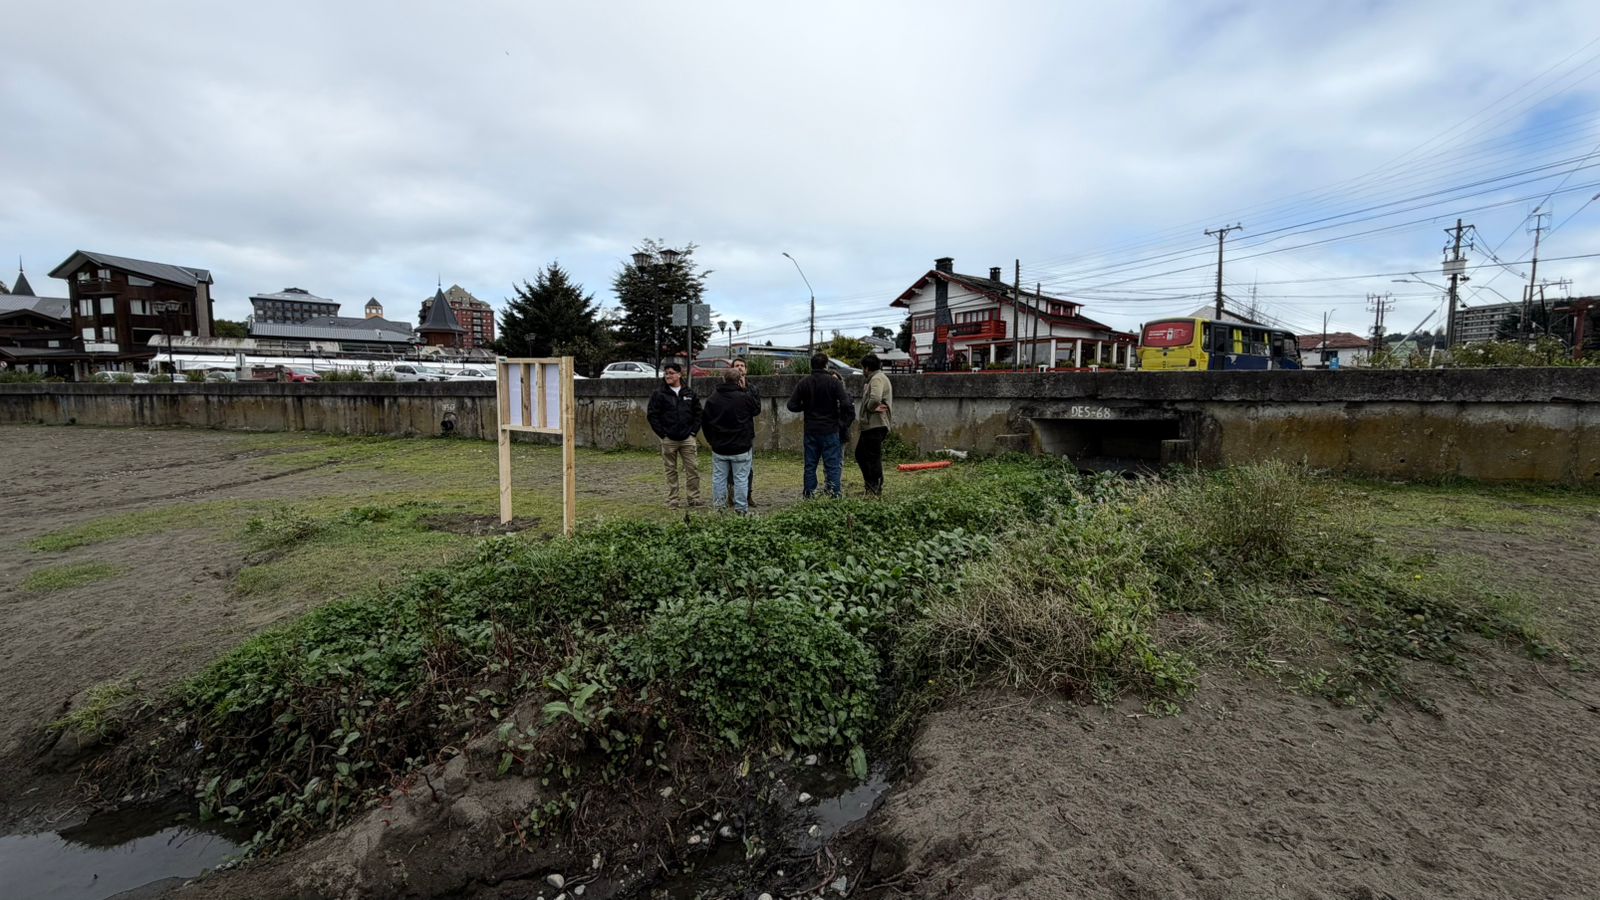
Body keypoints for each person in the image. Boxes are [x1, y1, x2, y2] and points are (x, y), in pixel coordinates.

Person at [785, 352, 855, 498]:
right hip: (830, 430)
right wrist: (842, 423)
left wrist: (805, 406)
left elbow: (791, 405)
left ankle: (809, 495)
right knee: (833, 466)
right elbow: (846, 404)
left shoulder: (804, 382)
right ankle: (834, 495)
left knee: (810, 465)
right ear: (826, 365)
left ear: (811, 365)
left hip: (811, 430)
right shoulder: (834, 382)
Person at [701, 369, 761, 514]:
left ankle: (719, 509)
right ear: (739, 379)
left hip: (719, 446)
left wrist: (711, 441)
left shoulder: (712, 399)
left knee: (719, 478)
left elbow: (705, 423)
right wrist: (745, 389)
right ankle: (741, 509)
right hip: (741, 446)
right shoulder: (744, 397)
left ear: (723, 379)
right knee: (741, 479)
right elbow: (756, 410)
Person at [646, 363, 702, 508]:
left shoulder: (689, 393)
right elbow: (652, 415)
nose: (668, 376)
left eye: (671, 373)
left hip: (687, 438)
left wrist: (693, 432)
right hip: (669, 439)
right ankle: (673, 499)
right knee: (670, 470)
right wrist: (662, 434)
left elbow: (698, 414)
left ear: (679, 374)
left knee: (692, 469)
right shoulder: (659, 394)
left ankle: (693, 497)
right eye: (666, 373)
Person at [855, 354, 893, 497]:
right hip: (874, 424)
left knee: (869, 456)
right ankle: (872, 484)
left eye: (863, 368)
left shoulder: (876, 379)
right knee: (865, 455)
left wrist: (871, 408)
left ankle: (874, 485)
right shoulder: (880, 378)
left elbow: (875, 398)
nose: (863, 372)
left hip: (874, 424)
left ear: (867, 368)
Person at [732, 356, 759, 507]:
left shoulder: (752, 388)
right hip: (729, 432)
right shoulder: (725, 387)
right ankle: (732, 494)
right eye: (737, 365)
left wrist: (745, 391)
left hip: (746, 432)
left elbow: (756, 410)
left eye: (742, 365)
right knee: (729, 468)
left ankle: (747, 495)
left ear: (746, 370)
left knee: (748, 467)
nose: (740, 368)